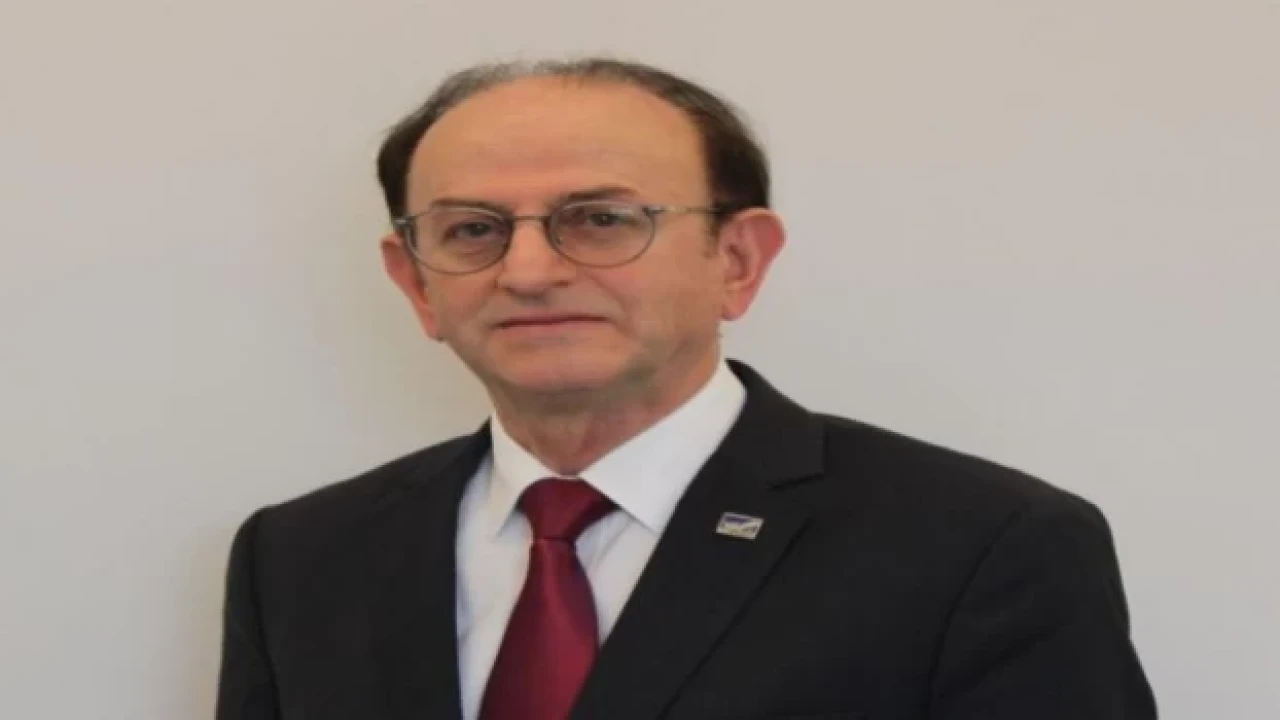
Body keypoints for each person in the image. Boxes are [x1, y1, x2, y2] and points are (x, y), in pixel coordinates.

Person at [215, 57, 1158, 720]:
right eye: (472, 230)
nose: (529, 271)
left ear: (737, 261)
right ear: (416, 283)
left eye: (600, 219)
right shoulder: (299, 558)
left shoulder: (982, 547)